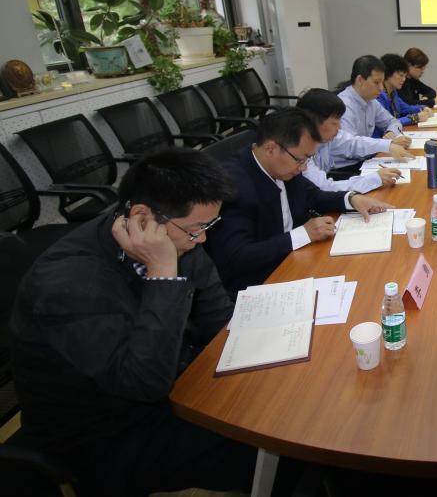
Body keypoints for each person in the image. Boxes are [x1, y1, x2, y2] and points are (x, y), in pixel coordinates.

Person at [9, 148, 257, 496]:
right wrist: (163, 275)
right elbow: (144, 384)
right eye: (196, 229)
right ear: (142, 216)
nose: (201, 238)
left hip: (170, 382)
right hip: (106, 431)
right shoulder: (69, 284)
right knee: (262, 444)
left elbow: (219, 318)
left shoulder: (173, 236)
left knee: (269, 403)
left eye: (207, 226)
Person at [206, 107, 392, 294]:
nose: (303, 168)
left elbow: (313, 196)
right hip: (263, 283)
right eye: (301, 160)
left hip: (297, 259)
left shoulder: (283, 166)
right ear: (271, 149)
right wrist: (304, 234)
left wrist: (351, 198)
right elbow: (237, 257)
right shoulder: (233, 185)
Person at [296, 88, 404, 191]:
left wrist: (388, 145)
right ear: (313, 123)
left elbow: (353, 143)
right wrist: (374, 179)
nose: (339, 127)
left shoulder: (325, 137)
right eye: (334, 123)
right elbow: (323, 187)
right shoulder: (300, 152)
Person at [331, 55, 414, 174]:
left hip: (366, 161)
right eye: (376, 82)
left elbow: (393, 121)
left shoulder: (371, 101)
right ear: (360, 80)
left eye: (382, 82)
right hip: (344, 169)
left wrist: (390, 133)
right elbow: (350, 144)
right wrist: (387, 145)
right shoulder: (344, 105)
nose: (381, 88)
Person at [377, 53, 433, 130]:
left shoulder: (393, 93)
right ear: (388, 73)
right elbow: (387, 123)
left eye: (405, 76)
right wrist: (414, 118)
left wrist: (423, 108)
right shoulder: (378, 95)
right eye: (401, 75)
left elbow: (407, 108)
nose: (403, 79)